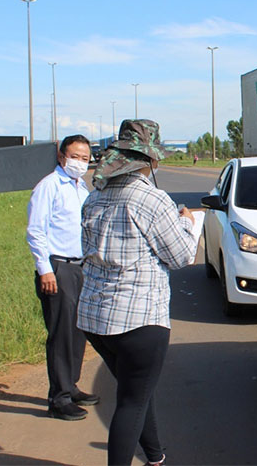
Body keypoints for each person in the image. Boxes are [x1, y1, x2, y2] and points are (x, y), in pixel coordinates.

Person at [78, 119, 197, 466]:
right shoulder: (152, 199)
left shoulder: (95, 195)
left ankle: (156, 456)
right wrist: (188, 225)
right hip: (139, 321)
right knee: (131, 401)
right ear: (150, 160)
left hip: (96, 319)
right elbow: (180, 257)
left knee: (137, 394)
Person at [26, 134, 100, 421]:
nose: (80, 162)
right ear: (61, 156)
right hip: (58, 268)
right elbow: (36, 230)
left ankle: (71, 386)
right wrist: (44, 269)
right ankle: (58, 398)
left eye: (85, 158)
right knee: (60, 335)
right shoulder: (49, 187)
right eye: (75, 156)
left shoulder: (82, 188)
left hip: (81, 267)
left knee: (78, 331)